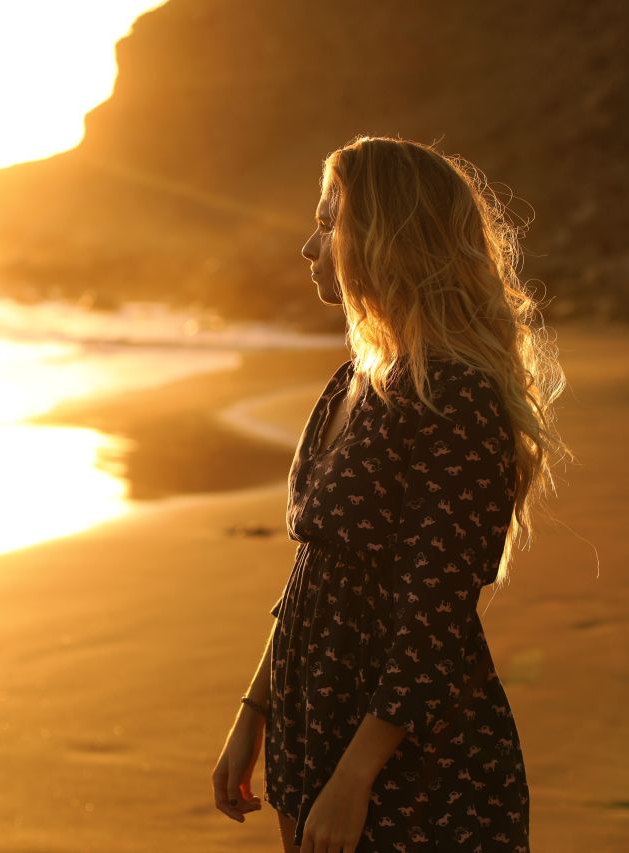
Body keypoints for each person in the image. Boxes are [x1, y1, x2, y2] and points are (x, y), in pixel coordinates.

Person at [212, 135, 570, 852]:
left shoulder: (454, 395)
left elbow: (435, 613)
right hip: (314, 719)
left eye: (327, 223)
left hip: (412, 755)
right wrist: (256, 708)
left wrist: (357, 775)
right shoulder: (352, 383)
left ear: (384, 236)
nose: (309, 246)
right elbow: (314, 571)